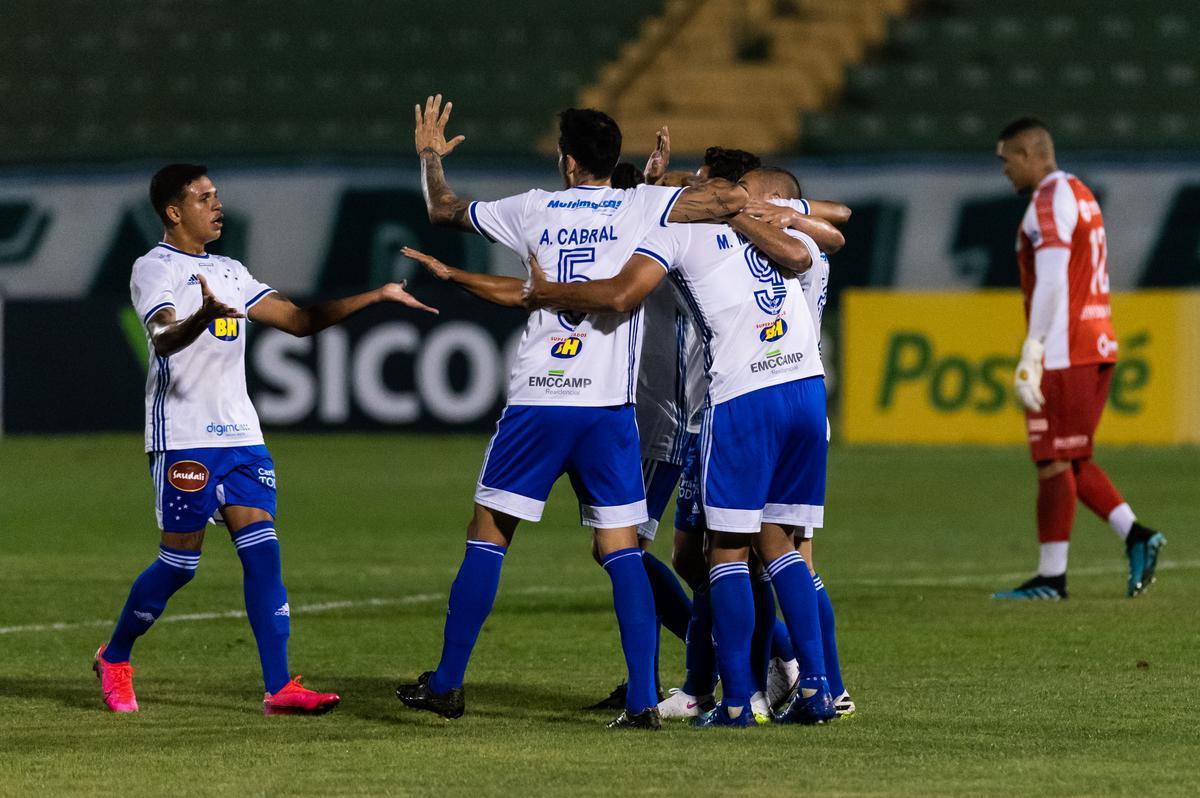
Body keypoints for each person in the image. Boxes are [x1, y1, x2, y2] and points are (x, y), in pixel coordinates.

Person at [394, 96, 750, 730]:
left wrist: (430, 157)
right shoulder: (642, 205)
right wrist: (664, 184)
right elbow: (728, 200)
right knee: (621, 549)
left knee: (489, 534)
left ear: (566, 162)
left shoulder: (532, 207)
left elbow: (441, 209)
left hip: (540, 398)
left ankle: (447, 683)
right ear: (613, 160)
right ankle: (642, 701)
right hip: (608, 408)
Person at [93, 163, 438, 715]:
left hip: (241, 436)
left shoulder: (230, 271)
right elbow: (162, 338)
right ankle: (114, 657)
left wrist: (374, 296)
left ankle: (279, 686)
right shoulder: (154, 267)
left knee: (264, 556)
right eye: (203, 197)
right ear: (174, 212)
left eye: (216, 195)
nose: (217, 205)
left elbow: (299, 320)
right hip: (184, 435)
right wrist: (202, 316)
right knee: (179, 565)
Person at [525, 167, 836, 726]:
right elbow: (825, 237)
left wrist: (545, 292)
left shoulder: (678, 232)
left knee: (724, 554)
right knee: (779, 545)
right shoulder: (780, 230)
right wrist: (763, 212)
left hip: (735, 399)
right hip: (806, 388)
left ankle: (736, 699)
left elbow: (622, 293)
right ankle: (817, 687)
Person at [992, 118, 1166, 600]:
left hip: (1066, 347)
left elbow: (1051, 280)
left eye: (1007, 160)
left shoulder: (1049, 200)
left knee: (1053, 459)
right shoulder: (1080, 192)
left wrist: (1033, 351)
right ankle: (1136, 536)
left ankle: (1052, 578)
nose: (1005, 171)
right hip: (1095, 338)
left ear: (1029, 154)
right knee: (1069, 457)